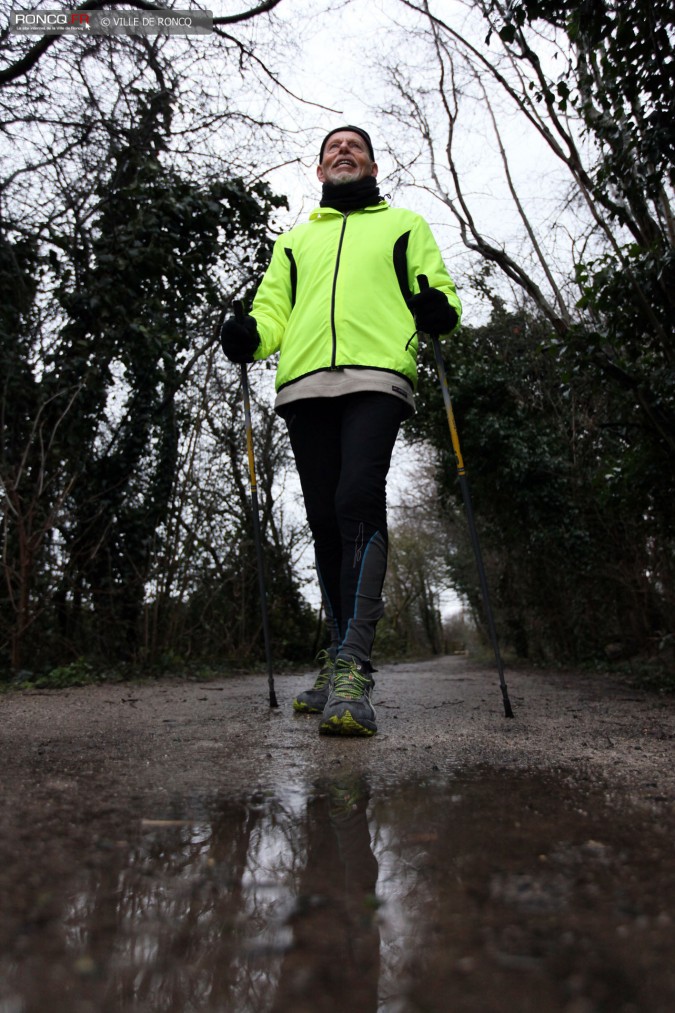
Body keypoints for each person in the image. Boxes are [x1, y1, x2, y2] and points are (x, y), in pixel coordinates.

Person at [220, 126, 461, 737]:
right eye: (333, 149)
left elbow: (438, 290)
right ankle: (334, 654)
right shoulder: (295, 241)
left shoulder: (403, 225)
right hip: (304, 386)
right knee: (325, 520)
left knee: (357, 499)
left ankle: (354, 664)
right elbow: (274, 310)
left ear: (373, 164)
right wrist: (251, 333)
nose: (343, 152)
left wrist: (438, 309)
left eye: (354, 146)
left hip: (378, 378)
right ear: (321, 170)